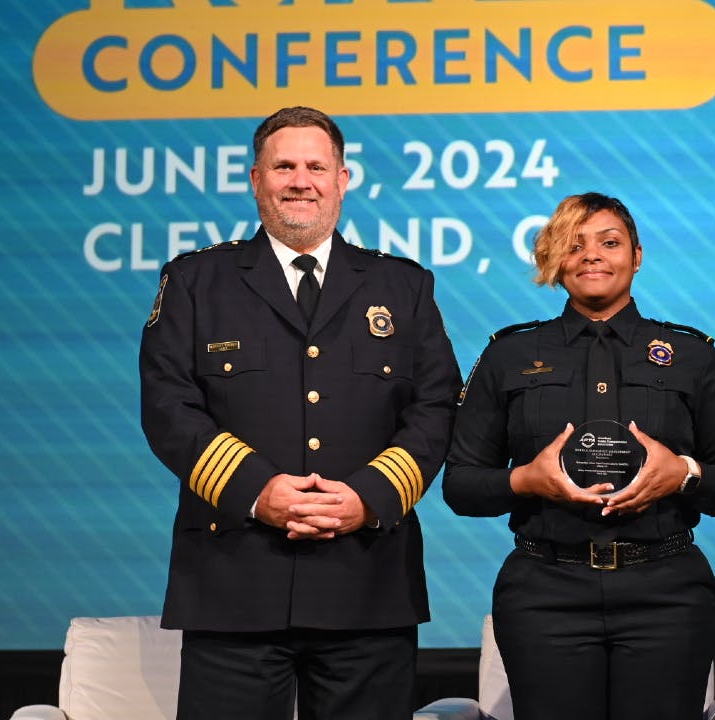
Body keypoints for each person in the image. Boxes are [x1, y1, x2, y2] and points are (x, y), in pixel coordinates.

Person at [139, 106, 462, 720]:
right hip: (233, 583)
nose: (300, 180)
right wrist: (258, 491)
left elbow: (436, 407)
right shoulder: (195, 281)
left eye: (316, 166)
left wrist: (368, 496)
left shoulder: (404, 287)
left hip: (367, 583)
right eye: (284, 165)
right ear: (256, 178)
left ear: (343, 179)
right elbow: (168, 405)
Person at [445, 192, 715, 720]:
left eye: (609, 242)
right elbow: (460, 487)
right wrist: (525, 481)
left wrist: (683, 474)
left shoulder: (692, 355)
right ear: (553, 257)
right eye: (573, 244)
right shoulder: (509, 354)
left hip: (668, 594)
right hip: (544, 594)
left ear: (637, 255)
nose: (592, 255)